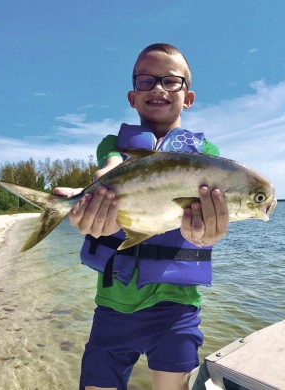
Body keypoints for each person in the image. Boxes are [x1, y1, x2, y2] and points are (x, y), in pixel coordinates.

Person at [55, 43, 229, 390]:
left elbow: (211, 213)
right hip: (113, 302)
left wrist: (211, 234)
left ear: (188, 97)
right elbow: (112, 164)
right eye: (146, 81)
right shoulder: (113, 144)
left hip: (177, 306)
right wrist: (90, 193)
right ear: (132, 97)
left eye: (170, 81)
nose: (158, 88)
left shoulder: (207, 155)